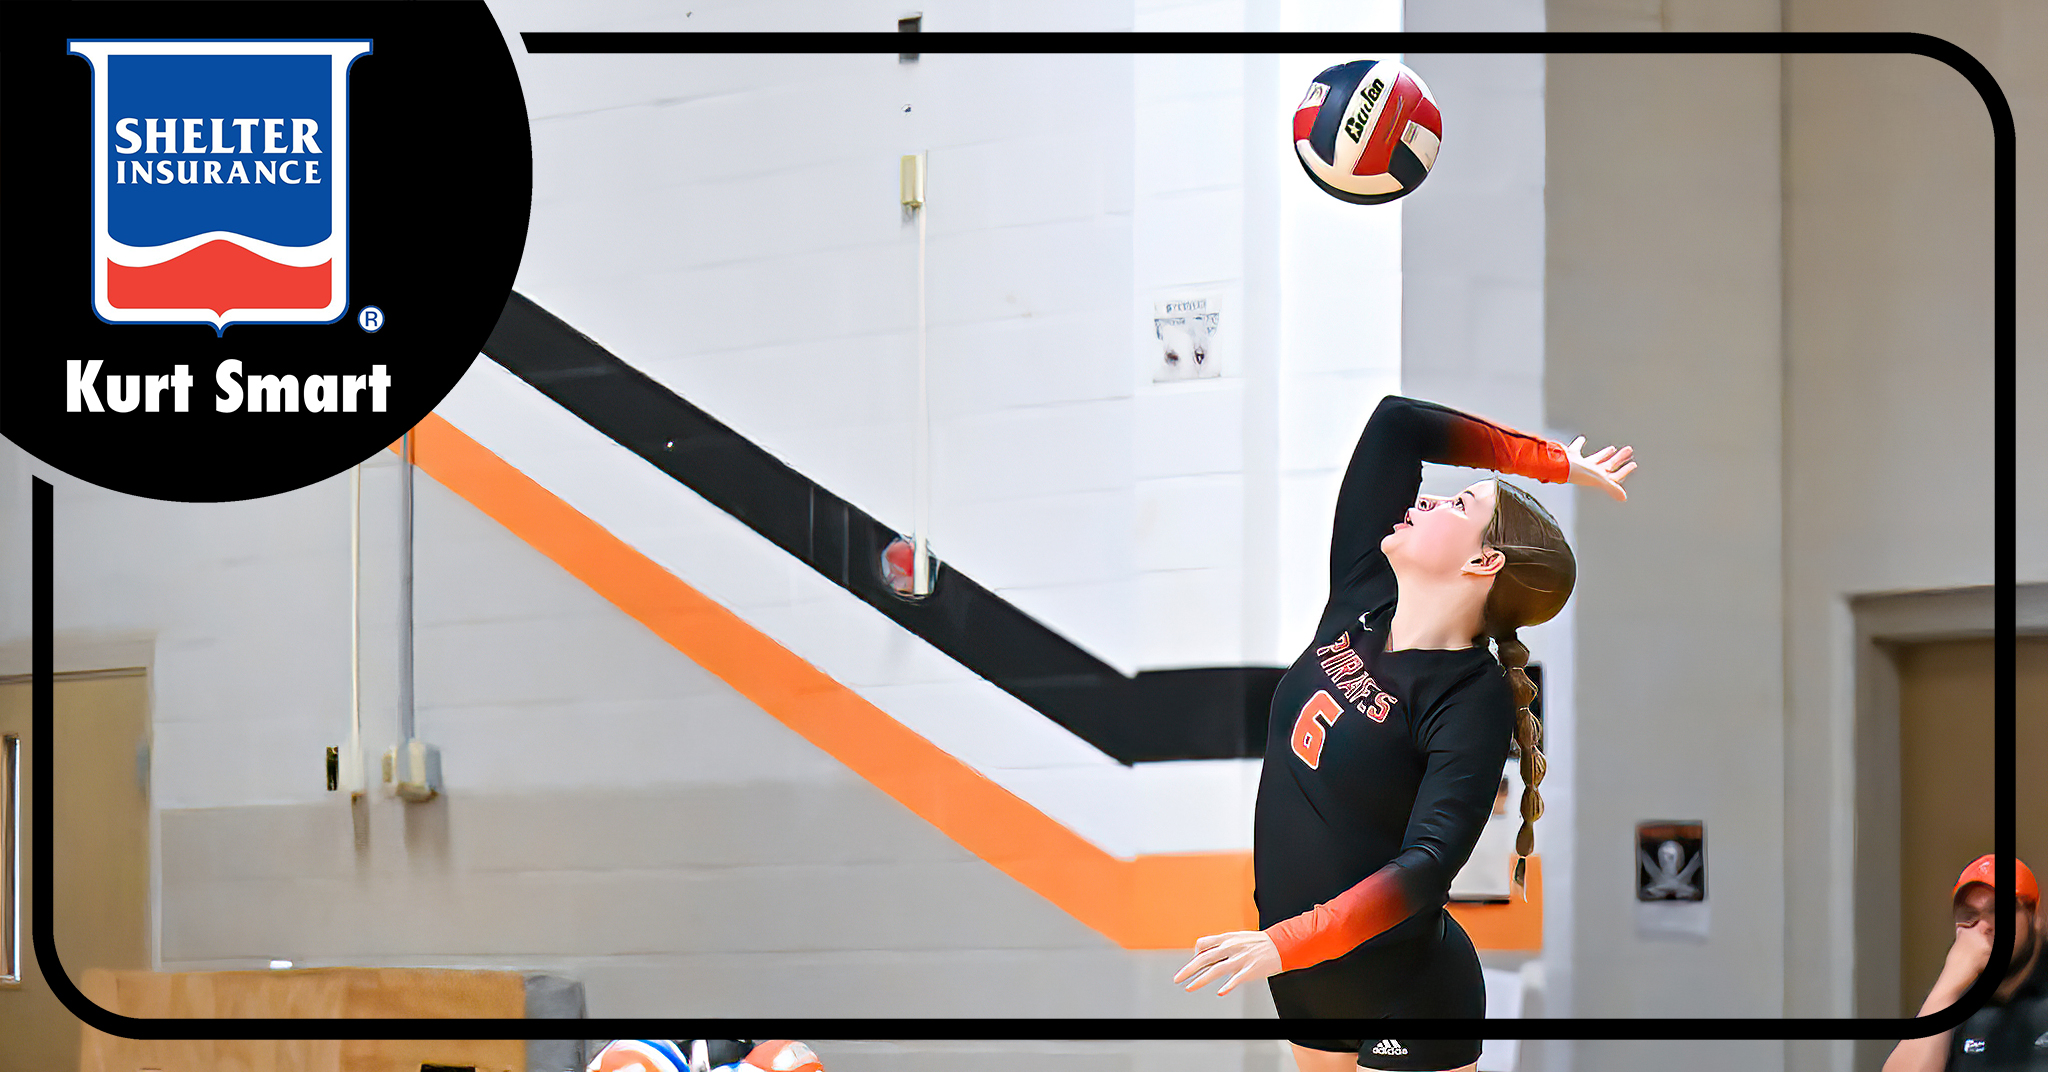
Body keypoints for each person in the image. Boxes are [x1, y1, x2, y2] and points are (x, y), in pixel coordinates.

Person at [1174, 395, 1636, 1072]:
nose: (1426, 500)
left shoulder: (1470, 697)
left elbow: (1425, 866)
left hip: (1405, 992)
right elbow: (1398, 424)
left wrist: (1287, 941)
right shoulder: (1364, 594)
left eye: (1458, 505)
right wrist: (1553, 463)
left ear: (1483, 563)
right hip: (1306, 982)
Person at [1885, 855, 2048, 1071]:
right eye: (1970, 915)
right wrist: (1947, 984)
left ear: (2035, 916)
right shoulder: (1951, 1000)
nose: (1984, 926)